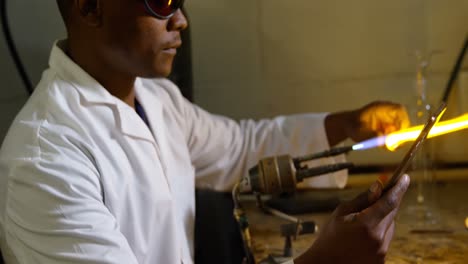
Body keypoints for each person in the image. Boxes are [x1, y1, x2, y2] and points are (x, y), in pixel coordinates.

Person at [0, 0, 410, 263]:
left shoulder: (158, 101)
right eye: (161, 2)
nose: (181, 20)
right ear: (90, 7)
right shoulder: (45, 157)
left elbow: (241, 148)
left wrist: (350, 124)